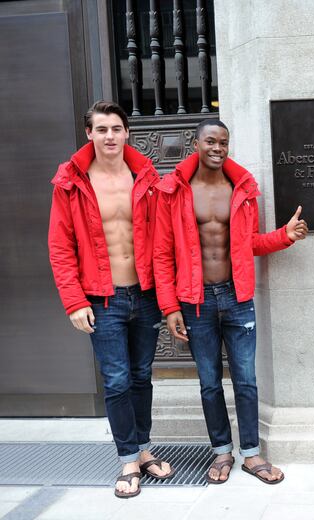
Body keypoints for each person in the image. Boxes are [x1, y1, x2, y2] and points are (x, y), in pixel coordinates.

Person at [153, 119, 308, 485]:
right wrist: (169, 307)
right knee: (209, 382)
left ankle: (251, 455)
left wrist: (284, 236)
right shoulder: (174, 190)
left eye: (224, 142)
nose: (218, 148)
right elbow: (162, 253)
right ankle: (222, 452)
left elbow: (248, 244)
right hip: (195, 301)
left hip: (237, 298)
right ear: (196, 143)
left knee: (246, 381)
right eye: (211, 141)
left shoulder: (242, 189)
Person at [48, 101, 173, 498]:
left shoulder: (147, 177)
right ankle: (127, 460)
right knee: (117, 380)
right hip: (102, 299)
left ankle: (144, 448)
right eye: (101, 129)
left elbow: (168, 239)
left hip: (146, 294)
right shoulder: (72, 182)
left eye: (116, 128)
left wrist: (169, 298)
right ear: (89, 134)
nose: (110, 136)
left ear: (126, 133)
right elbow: (60, 247)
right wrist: (73, 301)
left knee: (141, 377)